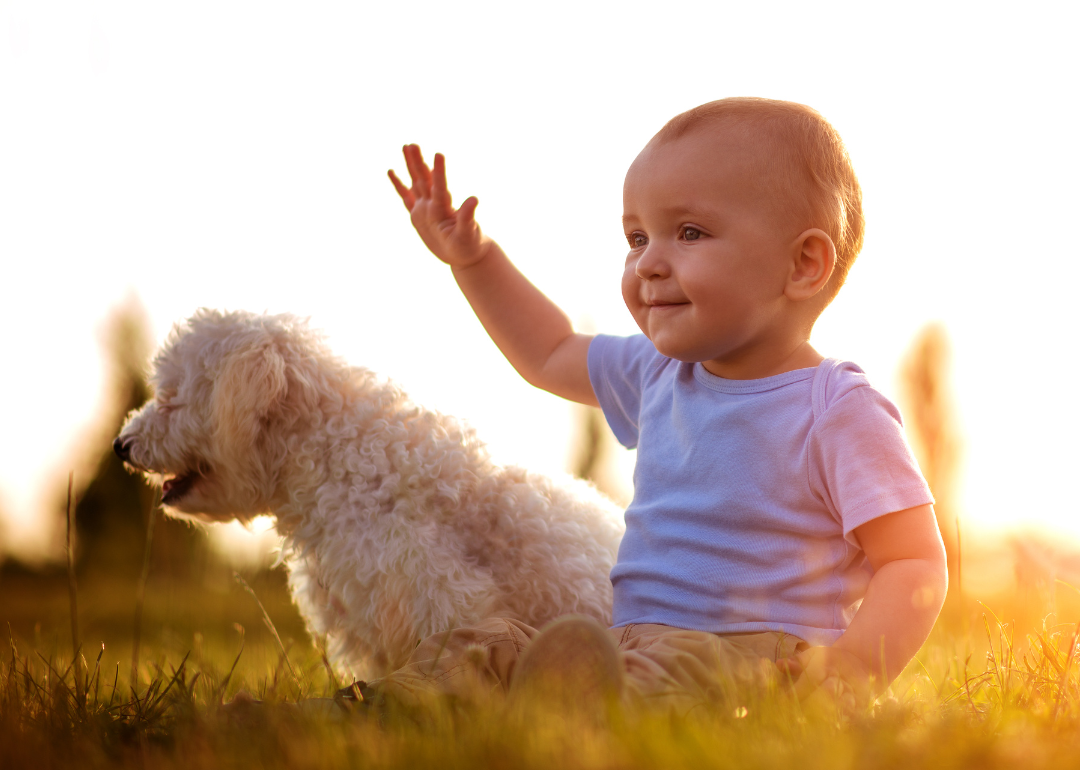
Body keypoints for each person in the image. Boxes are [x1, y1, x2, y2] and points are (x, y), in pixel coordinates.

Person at [372, 97, 947, 715]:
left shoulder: (836, 409)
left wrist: (850, 671)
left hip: (758, 656)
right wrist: (475, 258)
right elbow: (548, 351)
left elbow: (914, 561)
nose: (647, 262)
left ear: (803, 264)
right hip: (627, 646)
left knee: (667, 676)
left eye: (689, 232)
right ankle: (352, 716)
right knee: (482, 649)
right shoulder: (659, 372)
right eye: (636, 237)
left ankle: (568, 708)